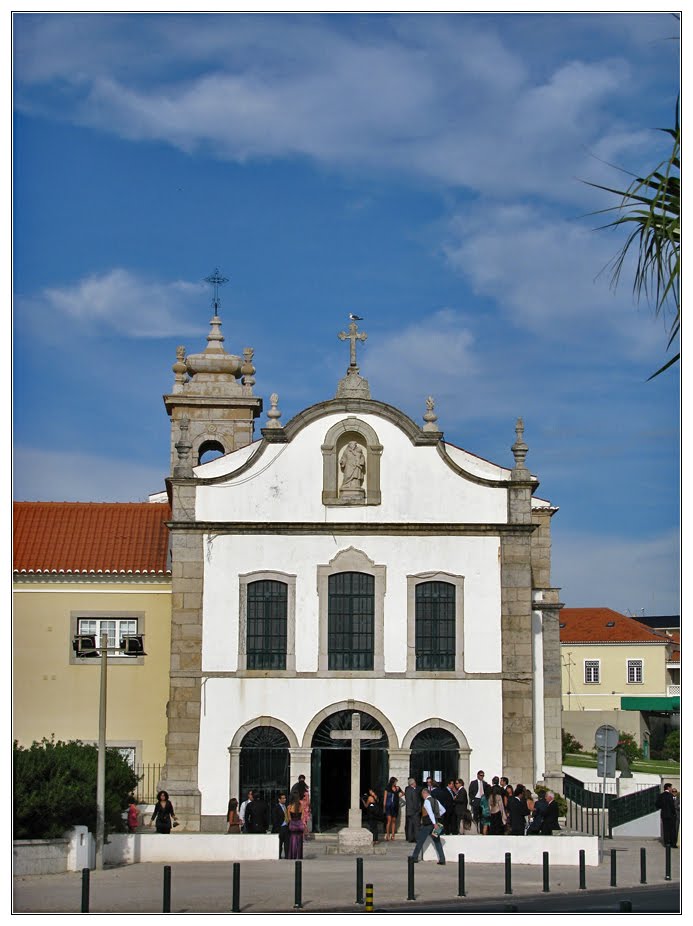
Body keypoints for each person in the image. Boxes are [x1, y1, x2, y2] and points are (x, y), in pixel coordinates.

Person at [410, 788, 446, 865]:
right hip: (436, 823)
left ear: (424, 793)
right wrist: (437, 817)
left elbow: (430, 813)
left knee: (420, 840)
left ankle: (414, 857)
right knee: (437, 842)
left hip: (428, 824)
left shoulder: (427, 801)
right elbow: (443, 810)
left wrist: (434, 823)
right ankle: (442, 859)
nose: (422, 796)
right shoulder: (436, 801)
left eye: (422, 795)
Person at [656, 783, 677, 847]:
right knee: (672, 830)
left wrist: (662, 807)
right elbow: (672, 806)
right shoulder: (670, 796)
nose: (671, 789)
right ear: (668, 788)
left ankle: (666, 843)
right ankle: (672, 843)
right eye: (670, 787)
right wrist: (674, 813)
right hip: (671, 815)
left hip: (664, 815)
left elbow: (657, 804)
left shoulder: (661, 795)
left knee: (666, 829)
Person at [271, 793, 290, 858]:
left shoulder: (287, 807)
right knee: (279, 844)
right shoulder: (276, 808)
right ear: (279, 799)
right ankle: (278, 856)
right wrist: (278, 828)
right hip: (280, 828)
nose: (285, 799)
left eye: (285, 798)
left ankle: (287, 856)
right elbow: (274, 819)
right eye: (283, 798)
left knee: (287, 844)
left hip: (286, 828)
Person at [404, 778, 421, 843]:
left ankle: (410, 838)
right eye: (415, 782)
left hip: (409, 811)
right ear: (412, 783)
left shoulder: (407, 790)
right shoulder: (413, 790)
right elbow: (415, 801)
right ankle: (417, 838)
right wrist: (417, 809)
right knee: (416, 825)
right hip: (414, 811)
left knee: (410, 825)